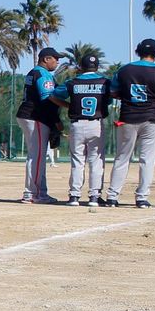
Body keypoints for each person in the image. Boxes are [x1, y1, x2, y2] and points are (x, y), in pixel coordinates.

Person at [102, 38, 155, 209]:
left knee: (122, 158)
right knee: (147, 160)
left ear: (138, 51)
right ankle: (141, 198)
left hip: (128, 117)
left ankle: (112, 196)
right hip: (152, 118)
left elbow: (113, 92)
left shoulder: (124, 70)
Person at [52, 52, 112, 206]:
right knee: (96, 161)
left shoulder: (72, 82)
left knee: (77, 161)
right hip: (96, 124)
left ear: (81, 67)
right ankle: (94, 196)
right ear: (96, 66)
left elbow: (54, 94)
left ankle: (74, 196)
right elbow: (109, 100)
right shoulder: (105, 82)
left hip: (77, 124)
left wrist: (69, 105)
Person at [15, 47, 64, 204]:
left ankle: (39, 192)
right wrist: (59, 116)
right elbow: (48, 98)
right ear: (46, 59)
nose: (57, 61)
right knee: (36, 157)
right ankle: (32, 193)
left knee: (37, 156)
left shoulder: (33, 72)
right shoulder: (43, 74)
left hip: (29, 116)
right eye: (55, 58)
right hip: (35, 117)